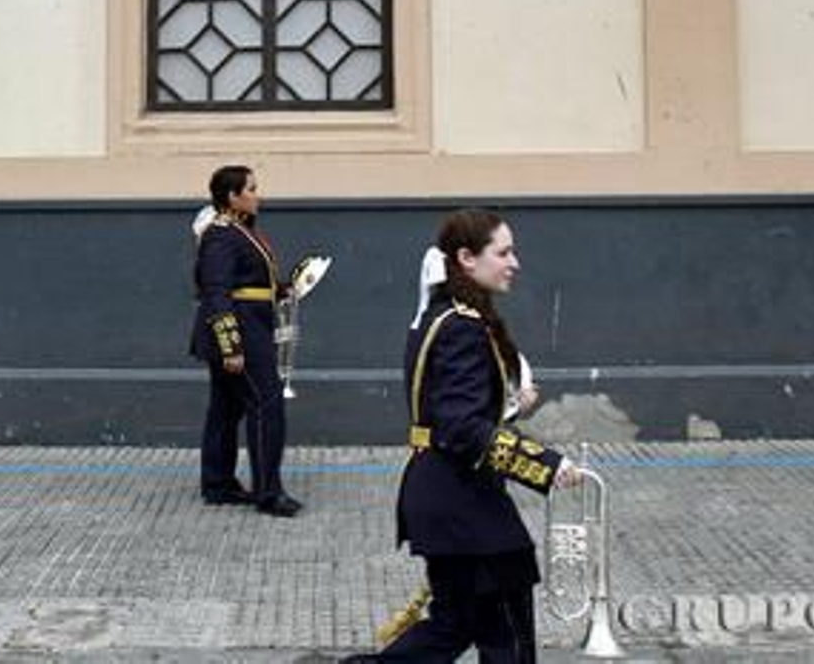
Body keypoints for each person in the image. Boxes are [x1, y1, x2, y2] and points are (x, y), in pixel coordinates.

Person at [349, 208, 582, 663]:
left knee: (452, 627)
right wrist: (547, 466)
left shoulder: (440, 316)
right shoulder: (462, 327)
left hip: (443, 497)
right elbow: (460, 427)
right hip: (465, 506)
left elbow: (448, 411)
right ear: (466, 258)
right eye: (504, 252)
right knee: (506, 638)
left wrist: (510, 406)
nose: (514, 262)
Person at [188, 165, 302, 518]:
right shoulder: (221, 234)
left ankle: (218, 483)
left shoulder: (239, 231)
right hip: (242, 333)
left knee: (225, 408)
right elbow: (217, 292)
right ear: (232, 196)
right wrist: (231, 346)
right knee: (267, 405)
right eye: (251, 189)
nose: (258, 195)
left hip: (251, 325)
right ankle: (269, 492)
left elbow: (249, 282)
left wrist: (284, 288)